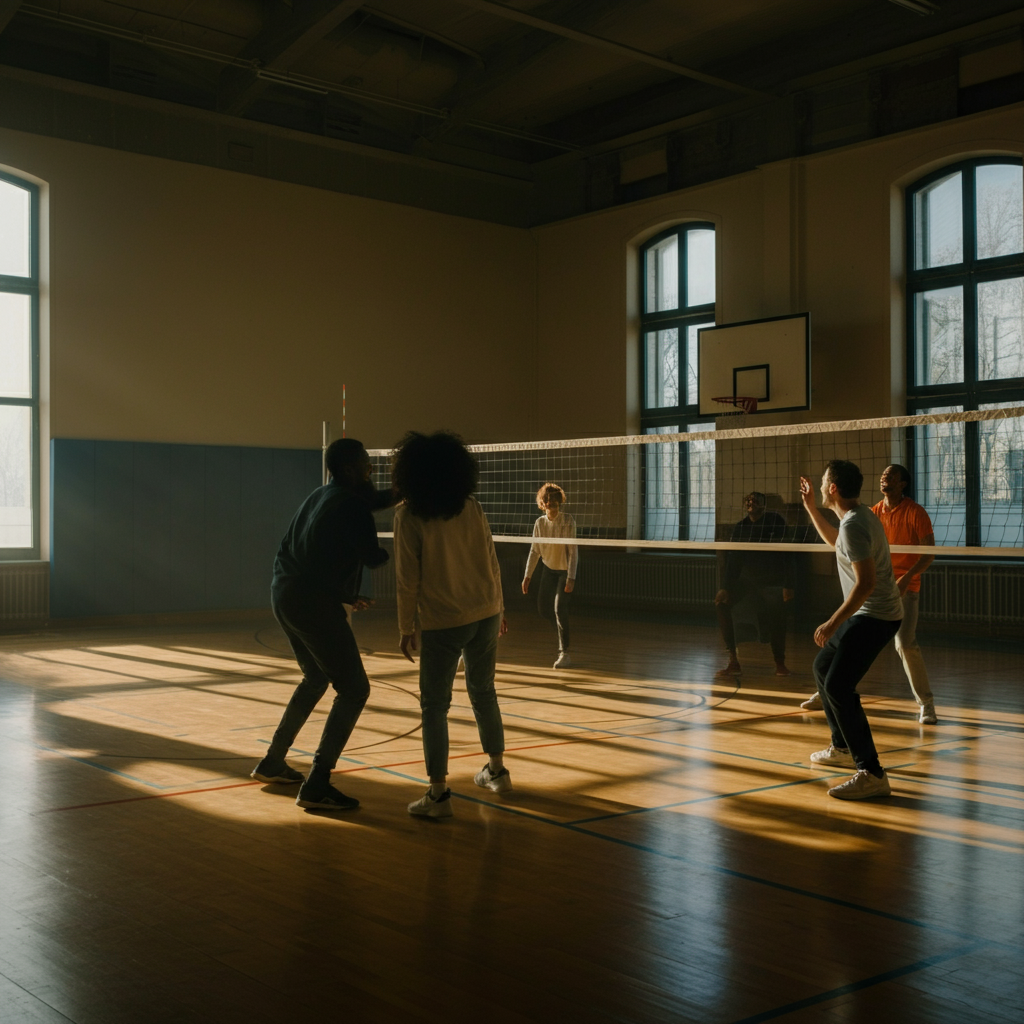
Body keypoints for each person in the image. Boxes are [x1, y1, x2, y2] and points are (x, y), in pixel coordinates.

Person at [250, 438, 393, 811]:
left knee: (315, 678)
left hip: (284, 593)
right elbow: (374, 557)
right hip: (311, 604)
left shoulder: (321, 494)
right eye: (366, 465)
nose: (371, 470)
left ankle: (272, 761)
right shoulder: (351, 505)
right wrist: (409, 541)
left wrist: (343, 593)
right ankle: (317, 782)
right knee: (355, 689)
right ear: (350, 470)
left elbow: (314, 552)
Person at [393, 431, 510, 819]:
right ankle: (497, 770)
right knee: (484, 690)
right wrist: (501, 607)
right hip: (486, 611)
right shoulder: (471, 506)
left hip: (445, 620)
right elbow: (491, 560)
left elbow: (407, 578)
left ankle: (439, 794)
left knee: (434, 706)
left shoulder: (408, 516)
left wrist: (405, 626)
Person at [798, 460, 903, 800]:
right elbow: (836, 542)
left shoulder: (856, 525)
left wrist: (833, 621)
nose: (822, 482)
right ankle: (841, 747)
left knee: (839, 687)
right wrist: (811, 509)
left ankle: (871, 772)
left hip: (876, 617)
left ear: (833, 489)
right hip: (869, 614)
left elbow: (866, 584)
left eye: (824, 480)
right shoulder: (853, 520)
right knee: (822, 668)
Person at [714, 491, 795, 676]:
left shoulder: (775, 521)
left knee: (777, 613)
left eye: (755, 500)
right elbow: (733, 561)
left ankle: (779, 663)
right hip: (746, 582)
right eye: (748, 500)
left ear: (763, 504)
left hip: (772, 581)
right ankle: (733, 661)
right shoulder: (741, 527)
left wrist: (789, 584)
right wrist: (725, 588)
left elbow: (788, 554)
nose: (751, 503)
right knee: (721, 603)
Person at [522, 483, 577, 669]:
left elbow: (573, 552)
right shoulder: (539, 523)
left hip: (563, 572)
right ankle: (562, 632)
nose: (551, 504)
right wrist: (527, 576)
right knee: (544, 609)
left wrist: (571, 578)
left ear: (559, 502)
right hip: (548, 570)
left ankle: (564, 652)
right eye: (548, 501)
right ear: (543, 503)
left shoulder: (568, 520)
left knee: (559, 608)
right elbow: (534, 551)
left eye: (554, 501)